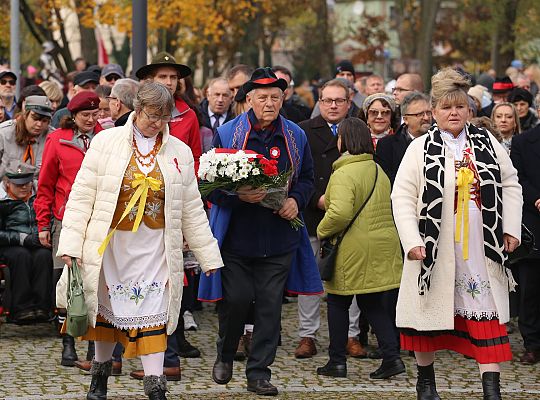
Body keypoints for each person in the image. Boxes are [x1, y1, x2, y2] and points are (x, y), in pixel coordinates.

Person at [55, 82, 223, 400]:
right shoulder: (106, 143)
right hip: (112, 245)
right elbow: (81, 196)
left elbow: (192, 208)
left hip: (155, 247)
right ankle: (99, 378)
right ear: (136, 109)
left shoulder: (180, 153)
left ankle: (155, 385)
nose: (157, 123)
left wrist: (208, 255)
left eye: (164, 117)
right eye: (152, 115)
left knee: (155, 314)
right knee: (105, 314)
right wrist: (71, 245)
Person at [392, 68, 522, 400]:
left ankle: (491, 391)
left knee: (487, 312)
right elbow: (402, 196)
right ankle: (426, 384)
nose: (454, 113)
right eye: (447, 108)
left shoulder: (487, 143)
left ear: (469, 110)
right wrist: (412, 241)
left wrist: (510, 227)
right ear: (433, 112)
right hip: (433, 247)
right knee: (427, 314)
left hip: (481, 246)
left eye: (460, 107)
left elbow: (510, 183)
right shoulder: (420, 148)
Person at [204, 67, 319, 396]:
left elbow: (308, 178)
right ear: (249, 99)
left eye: (275, 97)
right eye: (262, 97)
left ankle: (259, 373)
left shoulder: (295, 135)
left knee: (269, 309)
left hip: (279, 239)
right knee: (237, 300)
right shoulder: (228, 134)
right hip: (237, 239)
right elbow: (208, 186)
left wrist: (297, 200)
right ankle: (226, 354)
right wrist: (237, 195)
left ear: (284, 98)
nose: (269, 103)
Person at [316, 117, 404, 380]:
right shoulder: (377, 169)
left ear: (344, 140)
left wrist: (322, 229)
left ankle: (336, 361)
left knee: (337, 302)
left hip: (353, 248)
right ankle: (392, 357)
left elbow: (340, 213)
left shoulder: (344, 172)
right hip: (381, 245)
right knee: (372, 303)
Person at [296, 79, 365, 359]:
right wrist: (317, 199)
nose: (333, 105)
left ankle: (352, 335)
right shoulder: (303, 130)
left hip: (350, 216)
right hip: (314, 212)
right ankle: (307, 335)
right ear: (319, 102)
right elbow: (298, 174)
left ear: (349, 103)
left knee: (352, 278)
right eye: (327, 100)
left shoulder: (357, 130)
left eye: (339, 101)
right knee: (310, 276)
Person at [34, 91, 102, 368]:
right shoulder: (57, 140)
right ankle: (68, 343)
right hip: (66, 218)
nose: (90, 120)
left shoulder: (105, 139)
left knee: (94, 282)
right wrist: (43, 224)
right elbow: (46, 184)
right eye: (85, 115)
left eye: (95, 115)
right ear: (72, 116)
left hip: (98, 218)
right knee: (66, 280)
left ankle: (93, 344)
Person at [0, 163, 52, 324]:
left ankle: (42, 307)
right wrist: (23, 238)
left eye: (27, 183)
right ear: (7, 183)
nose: (24, 187)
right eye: (18, 184)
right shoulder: (3, 202)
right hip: (9, 245)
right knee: (20, 256)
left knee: (44, 256)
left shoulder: (39, 197)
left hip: (37, 243)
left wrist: (40, 236)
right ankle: (21, 308)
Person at [136, 52, 202, 173]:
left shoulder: (189, 115)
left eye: (173, 77)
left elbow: (196, 157)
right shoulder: (138, 111)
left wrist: (188, 185)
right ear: (150, 80)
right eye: (163, 76)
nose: (169, 82)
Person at [510, 121, 540, 365]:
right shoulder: (523, 141)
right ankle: (532, 343)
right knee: (530, 288)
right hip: (534, 220)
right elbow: (516, 176)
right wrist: (537, 198)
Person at [376, 91, 431, 185]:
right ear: (405, 119)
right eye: (419, 114)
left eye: (428, 113)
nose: (426, 118)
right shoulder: (387, 145)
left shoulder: (440, 141)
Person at [0, 95, 53, 179]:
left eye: (44, 121)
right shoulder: (4, 133)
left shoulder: (52, 137)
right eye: (35, 118)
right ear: (25, 115)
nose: (39, 124)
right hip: (5, 188)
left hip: (37, 189)